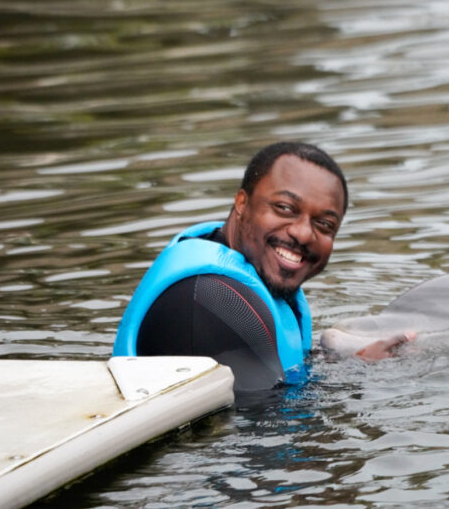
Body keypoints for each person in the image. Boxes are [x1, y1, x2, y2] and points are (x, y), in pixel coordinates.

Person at [114, 142, 407, 391]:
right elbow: (270, 434)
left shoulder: (241, 261)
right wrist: (362, 378)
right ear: (242, 203)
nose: (304, 233)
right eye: (285, 208)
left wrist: (353, 360)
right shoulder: (213, 297)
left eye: (324, 224)